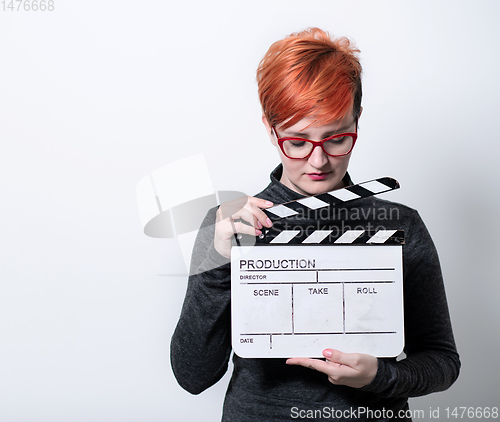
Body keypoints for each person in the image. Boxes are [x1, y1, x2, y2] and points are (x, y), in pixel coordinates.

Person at [171, 28, 460, 421]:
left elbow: (442, 361)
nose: (318, 161)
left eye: (337, 138)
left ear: (357, 119)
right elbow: (193, 375)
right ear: (270, 129)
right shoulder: (228, 227)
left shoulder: (399, 225)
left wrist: (382, 376)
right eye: (298, 141)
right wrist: (218, 266)